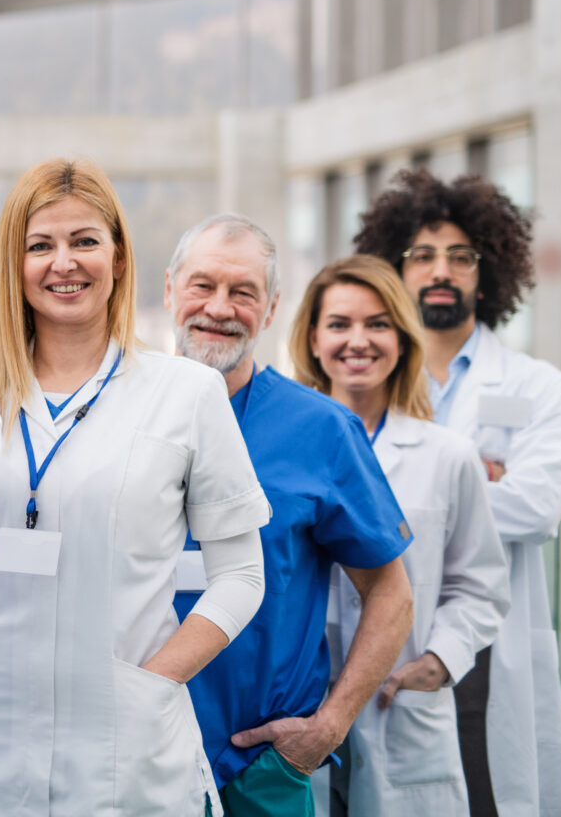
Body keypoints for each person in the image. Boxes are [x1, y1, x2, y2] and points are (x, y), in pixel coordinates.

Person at [0, 159, 269, 816]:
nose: (63, 262)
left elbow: (242, 573)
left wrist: (152, 682)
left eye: (85, 241)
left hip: (127, 755)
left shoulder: (186, 394)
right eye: (39, 245)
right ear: (12, 265)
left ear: (120, 258)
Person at [166, 214, 414, 817]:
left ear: (271, 310)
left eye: (243, 292)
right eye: (203, 286)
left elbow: (391, 594)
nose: (219, 308)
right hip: (135, 753)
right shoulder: (116, 411)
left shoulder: (322, 430)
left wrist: (327, 727)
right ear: (170, 290)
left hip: (262, 769)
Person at [355, 170, 561, 817]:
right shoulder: (360, 382)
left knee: (486, 796)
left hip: (485, 649)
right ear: (393, 269)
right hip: (374, 635)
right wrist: (473, 478)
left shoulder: (538, 387)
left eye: (460, 256)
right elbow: (336, 506)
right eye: (421, 256)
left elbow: (536, 507)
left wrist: (406, 490)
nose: (439, 270)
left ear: (489, 270)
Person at [289, 254, 509, 814]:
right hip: (295, 708)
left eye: (378, 323)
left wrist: (441, 658)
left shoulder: (447, 456)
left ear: (403, 339)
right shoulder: (281, 450)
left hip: (397, 708)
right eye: (339, 324)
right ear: (312, 339)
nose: (357, 341)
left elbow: (480, 582)